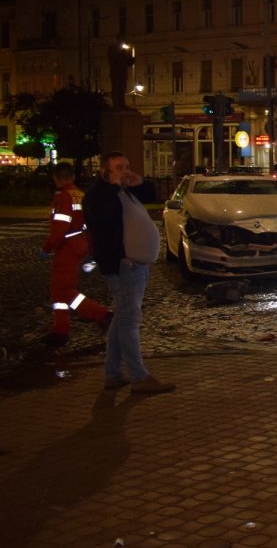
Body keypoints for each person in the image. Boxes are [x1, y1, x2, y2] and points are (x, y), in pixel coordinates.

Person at [83, 152, 175, 394]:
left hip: (136, 266)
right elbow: (100, 215)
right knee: (130, 321)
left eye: (127, 165)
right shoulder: (100, 194)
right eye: (119, 167)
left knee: (121, 320)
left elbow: (152, 196)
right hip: (123, 265)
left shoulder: (125, 191)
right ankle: (138, 376)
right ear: (106, 171)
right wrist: (112, 186)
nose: (126, 170)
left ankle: (112, 374)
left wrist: (138, 182)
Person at [39, 162, 111, 346]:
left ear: (57, 177)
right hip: (79, 243)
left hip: (67, 246)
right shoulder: (80, 195)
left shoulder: (63, 197)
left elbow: (60, 227)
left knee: (63, 290)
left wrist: (46, 248)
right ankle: (60, 329)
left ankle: (101, 314)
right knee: (60, 291)